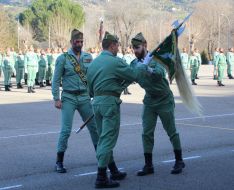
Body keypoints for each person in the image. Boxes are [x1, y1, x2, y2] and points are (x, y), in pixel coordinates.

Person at [87, 31, 151, 188]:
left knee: (104, 137)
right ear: (112, 45)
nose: (118, 49)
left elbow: (89, 88)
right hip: (109, 103)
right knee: (107, 139)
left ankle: (113, 170)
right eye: (117, 45)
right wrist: (144, 65)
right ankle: (101, 177)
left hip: (96, 103)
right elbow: (134, 74)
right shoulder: (115, 61)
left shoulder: (94, 63)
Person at [130, 32, 185, 176]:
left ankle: (179, 160)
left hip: (164, 99)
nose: (135, 50)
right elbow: (128, 77)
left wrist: (147, 67)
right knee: (146, 133)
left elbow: (160, 73)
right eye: (133, 48)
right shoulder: (134, 64)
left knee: (171, 130)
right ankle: (148, 165)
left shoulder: (155, 60)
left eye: (137, 47)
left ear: (145, 45)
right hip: (149, 100)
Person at [52, 29, 99, 174]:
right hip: (69, 98)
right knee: (66, 130)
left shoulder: (88, 57)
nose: (79, 44)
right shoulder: (63, 58)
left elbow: (92, 76)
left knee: (94, 128)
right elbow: (55, 80)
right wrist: (56, 98)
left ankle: (101, 157)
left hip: (84, 97)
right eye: (76, 42)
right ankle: (59, 161)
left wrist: (96, 93)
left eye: (81, 42)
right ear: (71, 42)